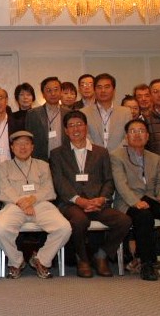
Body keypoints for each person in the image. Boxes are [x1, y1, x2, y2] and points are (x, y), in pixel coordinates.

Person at [50, 111, 131, 278]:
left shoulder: (101, 152)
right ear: (66, 130)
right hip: (71, 203)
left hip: (97, 202)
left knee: (124, 221)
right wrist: (79, 200)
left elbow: (108, 180)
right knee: (79, 221)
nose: (76, 129)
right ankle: (82, 259)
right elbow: (59, 182)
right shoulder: (57, 153)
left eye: (79, 124)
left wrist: (101, 199)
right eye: (71, 126)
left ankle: (101, 255)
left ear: (86, 127)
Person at [110, 119, 160, 281]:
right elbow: (121, 185)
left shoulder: (155, 158)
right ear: (126, 136)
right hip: (127, 201)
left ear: (147, 136)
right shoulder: (117, 156)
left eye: (141, 131)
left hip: (151, 199)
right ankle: (147, 263)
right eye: (133, 131)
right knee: (144, 216)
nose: (137, 135)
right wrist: (135, 202)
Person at [0, 131, 71, 279]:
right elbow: (4, 190)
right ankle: (17, 261)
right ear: (12, 147)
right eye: (18, 144)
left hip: (40, 204)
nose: (23, 147)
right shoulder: (3, 167)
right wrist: (22, 202)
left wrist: (32, 200)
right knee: (0, 229)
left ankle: (41, 260)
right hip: (14, 205)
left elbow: (48, 189)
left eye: (26, 144)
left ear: (32, 147)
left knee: (64, 228)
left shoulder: (43, 165)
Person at [81, 73, 132, 152]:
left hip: (119, 156)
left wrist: (115, 155)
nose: (103, 90)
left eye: (107, 87)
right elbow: (85, 136)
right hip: (94, 155)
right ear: (94, 90)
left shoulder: (125, 112)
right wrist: (99, 154)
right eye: (99, 87)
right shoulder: (84, 112)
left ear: (114, 90)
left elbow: (128, 136)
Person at [25, 76, 70, 162]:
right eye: (49, 90)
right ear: (43, 94)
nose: (53, 93)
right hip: (40, 161)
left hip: (64, 160)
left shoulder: (68, 113)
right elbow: (28, 139)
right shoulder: (33, 114)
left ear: (61, 92)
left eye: (56, 89)